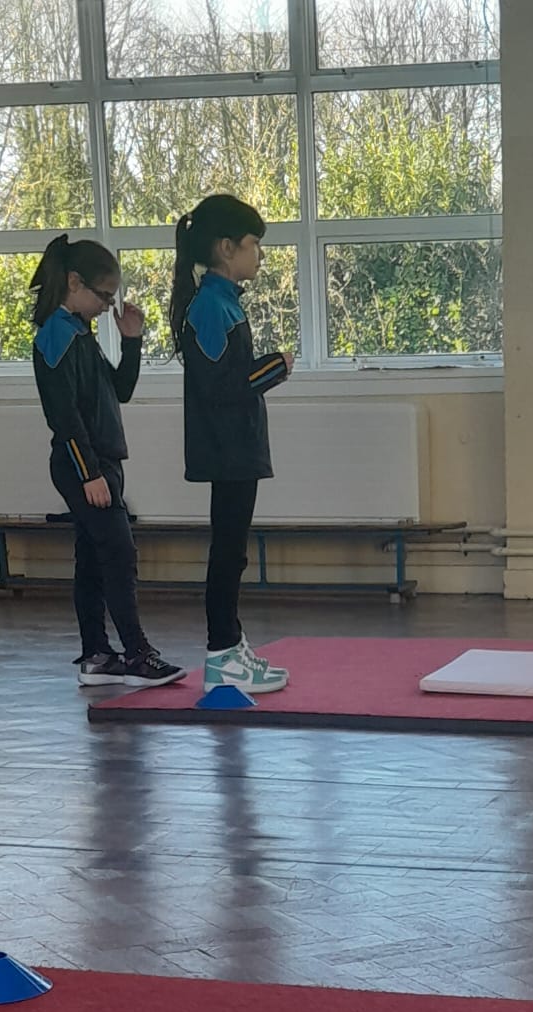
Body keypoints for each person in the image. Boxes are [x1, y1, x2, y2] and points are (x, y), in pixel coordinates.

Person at [29, 234, 183, 690]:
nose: (106, 306)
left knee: (94, 560)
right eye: (104, 296)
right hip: (84, 466)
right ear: (74, 282)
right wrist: (89, 473)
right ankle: (137, 653)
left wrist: (131, 341)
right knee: (119, 554)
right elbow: (63, 415)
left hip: (102, 463)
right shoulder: (56, 335)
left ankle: (97, 656)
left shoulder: (80, 332)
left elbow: (120, 391)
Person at [168, 194, 293, 698]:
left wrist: (267, 370)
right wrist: (275, 367)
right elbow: (222, 387)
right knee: (228, 552)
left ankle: (231, 643)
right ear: (226, 247)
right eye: (253, 244)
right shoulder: (211, 307)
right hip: (227, 448)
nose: (259, 255)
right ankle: (221, 653)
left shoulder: (223, 302)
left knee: (232, 551)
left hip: (237, 445)